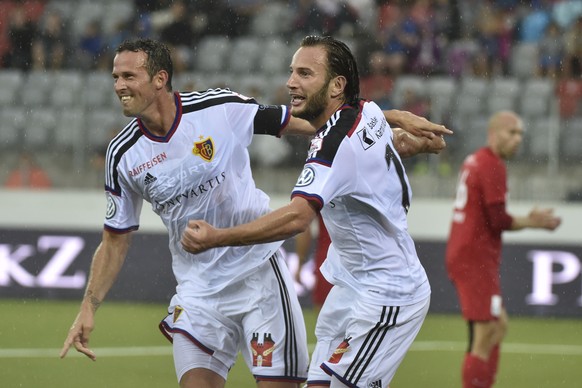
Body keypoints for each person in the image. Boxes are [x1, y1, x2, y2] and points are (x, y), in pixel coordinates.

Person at [59, 37, 450, 388]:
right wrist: (88, 308)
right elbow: (114, 239)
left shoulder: (218, 108)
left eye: (129, 75)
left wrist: (383, 127)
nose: (119, 86)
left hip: (260, 274)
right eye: (115, 77)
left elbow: (312, 128)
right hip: (199, 291)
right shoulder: (122, 156)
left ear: (160, 79)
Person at [181, 35, 451, 387]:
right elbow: (381, 145)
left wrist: (219, 238)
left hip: (388, 295)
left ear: (337, 85)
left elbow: (298, 217)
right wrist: (409, 138)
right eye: (292, 72)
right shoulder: (365, 111)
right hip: (351, 290)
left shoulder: (335, 143)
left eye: (305, 73)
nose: (291, 82)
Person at [445, 110, 562, 388]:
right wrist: (534, 222)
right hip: (475, 258)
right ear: (494, 134)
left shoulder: (475, 160)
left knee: (498, 327)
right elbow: (497, 220)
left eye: (521, 133)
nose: (518, 139)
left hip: (466, 253)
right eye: (512, 132)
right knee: (485, 335)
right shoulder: (492, 164)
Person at [294, 214, 332, 310]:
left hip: (328, 260)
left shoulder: (321, 199)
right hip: (361, 259)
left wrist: (299, 264)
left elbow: (305, 229)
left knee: (326, 318)